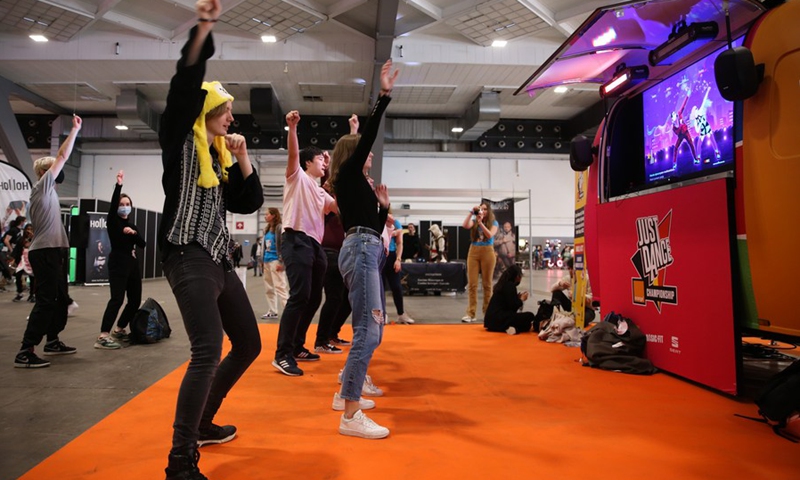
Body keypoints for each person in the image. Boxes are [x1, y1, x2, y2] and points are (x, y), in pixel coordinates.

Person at [157, 2, 264, 477]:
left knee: (248, 343)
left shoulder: (218, 161)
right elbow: (186, 81)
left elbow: (249, 203)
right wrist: (204, 28)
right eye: (224, 112)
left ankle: (202, 422)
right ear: (206, 111)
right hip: (187, 253)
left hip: (218, 258)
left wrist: (242, 158)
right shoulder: (180, 140)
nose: (230, 119)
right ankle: (180, 460)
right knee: (208, 349)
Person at [327, 58, 398, 439]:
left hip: (364, 247)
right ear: (355, 156)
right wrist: (383, 96)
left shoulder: (356, 185)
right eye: (365, 154)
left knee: (369, 331)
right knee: (368, 334)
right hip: (360, 251)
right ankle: (350, 413)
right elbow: (365, 139)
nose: (370, 158)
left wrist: (383, 207)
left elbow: (373, 227)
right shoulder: (349, 174)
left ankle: (346, 397)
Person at [13, 114, 82, 369]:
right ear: (44, 173)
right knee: (46, 301)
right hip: (45, 252)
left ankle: (52, 340)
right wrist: (74, 131)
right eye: (54, 168)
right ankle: (25, 350)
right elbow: (62, 157)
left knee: (61, 299)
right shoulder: (41, 188)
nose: (60, 171)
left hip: (56, 251)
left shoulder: (51, 193)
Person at [272, 110, 337, 376]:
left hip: (315, 246)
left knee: (312, 298)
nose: (323, 161)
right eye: (320, 158)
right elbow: (292, 155)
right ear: (308, 162)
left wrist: (333, 169)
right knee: (299, 297)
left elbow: (337, 207)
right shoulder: (296, 176)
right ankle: (282, 354)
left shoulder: (321, 191)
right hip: (295, 238)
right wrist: (293, 128)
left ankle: (297, 346)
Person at [96, 170, 146, 349]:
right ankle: (103, 336)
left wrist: (133, 233)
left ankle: (119, 329)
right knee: (116, 299)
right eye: (122, 203)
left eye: (128, 203)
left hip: (132, 264)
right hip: (118, 263)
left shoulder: (131, 225)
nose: (125, 206)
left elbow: (142, 243)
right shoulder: (113, 221)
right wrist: (119, 185)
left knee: (134, 301)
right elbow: (112, 207)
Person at [461, 202, 498, 323]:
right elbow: (465, 225)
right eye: (481, 209)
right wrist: (471, 212)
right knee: (472, 284)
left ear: (489, 211)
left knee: (487, 285)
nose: (483, 211)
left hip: (487, 251)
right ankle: (470, 313)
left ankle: (488, 313)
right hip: (474, 250)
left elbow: (489, 234)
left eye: (485, 209)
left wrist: (481, 223)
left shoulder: (494, 223)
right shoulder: (475, 220)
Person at [382, 212, 414, 324]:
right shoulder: (377, 220)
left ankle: (401, 314)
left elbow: (400, 243)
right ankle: (382, 313)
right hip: (379, 256)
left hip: (391, 256)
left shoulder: (395, 223)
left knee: (397, 287)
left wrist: (398, 259)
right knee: (380, 288)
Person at [484, 265, 535, 335]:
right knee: (530, 316)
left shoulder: (502, 284)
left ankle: (509, 328)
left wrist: (516, 298)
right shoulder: (510, 286)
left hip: (490, 322)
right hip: (500, 319)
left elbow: (507, 303)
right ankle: (508, 327)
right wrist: (521, 300)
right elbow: (513, 308)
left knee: (526, 324)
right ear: (517, 276)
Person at [261, 208, 288, 319]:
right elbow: (264, 246)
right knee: (269, 288)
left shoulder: (279, 228)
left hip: (276, 260)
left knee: (280, 287)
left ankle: (288, 311)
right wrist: (262, 260)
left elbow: (283, 245)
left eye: (267, 214)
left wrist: (282, 262)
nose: (265, 216)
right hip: (267, 261)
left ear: (273, 215)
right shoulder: (266, 229)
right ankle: (273, 311)